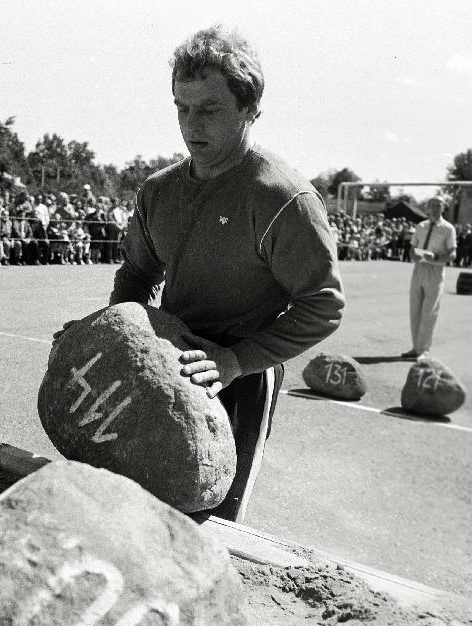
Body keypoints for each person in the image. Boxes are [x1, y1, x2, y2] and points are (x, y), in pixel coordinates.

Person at [56, 26, 344, 523]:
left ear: (250, 108)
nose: (192, 125)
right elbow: (136, 275)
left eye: (209, 110)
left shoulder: (283, 199)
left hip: (239, 376)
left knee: (211, 526)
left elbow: (323, 305)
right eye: (181, 107)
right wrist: (104, 335)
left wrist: (236, 361)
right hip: (164, 362)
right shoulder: (158, 191)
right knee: (133, 511)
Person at [403, 196, 456, 360]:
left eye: (438, 205)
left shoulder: (448, 229)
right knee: (415, 309)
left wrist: (437, 258)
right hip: (419, 269)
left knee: (429, 311)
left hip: (435, 270)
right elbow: (412, 249)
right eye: (431, 205)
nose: (434, 208)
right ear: (427, 207)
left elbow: (452, 254)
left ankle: (423, 349)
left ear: (443, 208)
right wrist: (413, 255)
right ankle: (415, 347)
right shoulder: (421, 226)